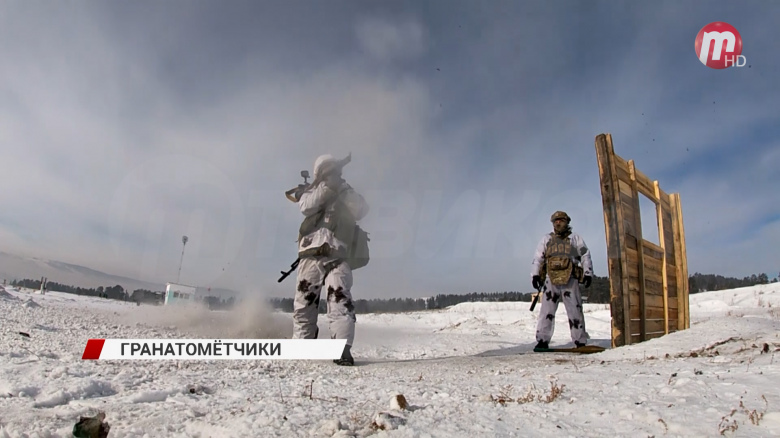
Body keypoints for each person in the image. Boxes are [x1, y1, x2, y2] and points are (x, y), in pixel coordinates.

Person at [293, 153, 369, 366]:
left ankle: (342, 350)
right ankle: (302, 346)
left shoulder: (346, 190)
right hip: (310, 254)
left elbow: (361, 209)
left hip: (338, 254)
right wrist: (327, 187)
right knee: (304, 303)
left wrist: (342, 189)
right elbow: (306, 207)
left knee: (339, 300)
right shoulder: (312, 191)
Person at [530, 211, 593, 350]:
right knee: (546, 312)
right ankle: (542, 340)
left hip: (570, 279)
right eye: (555, 221)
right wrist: (535, 275)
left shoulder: (575, 239)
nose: (558, 223)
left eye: (561, 220)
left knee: (575, 310)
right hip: (550, 280)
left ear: (567, 222)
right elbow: (538, 258)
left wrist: (588, 273)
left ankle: (580, 340)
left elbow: (585, 255)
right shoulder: (547, 239)